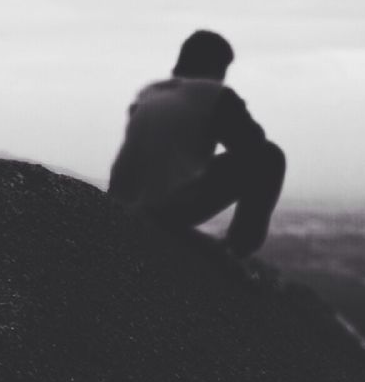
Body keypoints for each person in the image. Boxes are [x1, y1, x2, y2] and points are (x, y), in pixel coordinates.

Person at [108, 30, 286, 257]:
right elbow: (252, 145)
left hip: (122, 201)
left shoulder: (149, 93)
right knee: (270, 158)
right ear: (213, 65)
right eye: (223, 68)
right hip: (164, 208)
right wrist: (234, 108)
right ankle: (237, 251)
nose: (223, 76)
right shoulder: (213, 94)